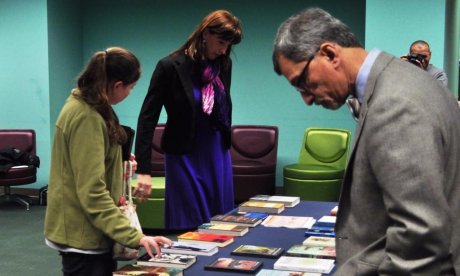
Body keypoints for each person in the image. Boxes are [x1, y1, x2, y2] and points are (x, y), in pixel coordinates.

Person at [273, 7, 460, 275]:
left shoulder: (394, 104)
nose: (306, 98)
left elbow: (421, 240)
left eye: (302, 81)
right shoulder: (408, 80)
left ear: (329, 53)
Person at [44, 47, 172, 276]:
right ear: (117, 85)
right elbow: (92, 191)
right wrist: (136, 237)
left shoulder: (91, 105)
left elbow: (90, 160)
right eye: (131, 87)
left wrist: (118, 162)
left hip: (92, 231)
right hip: (83, 237)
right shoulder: (87, 117)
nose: (130, 93)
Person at [134, 10, 242, 231]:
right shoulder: (170, 66)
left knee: (221, 226)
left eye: (228, 45)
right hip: (183, 154)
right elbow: (147, 118)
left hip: (216, 152)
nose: (223, 50)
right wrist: (143, 170)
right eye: (220, 42)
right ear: (205, 34)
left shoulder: (224, 64)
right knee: (191, 225)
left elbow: (221, 109)